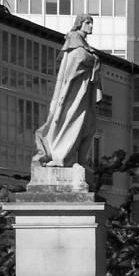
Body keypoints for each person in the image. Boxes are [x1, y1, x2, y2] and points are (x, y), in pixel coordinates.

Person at [34, 14, 102, 168]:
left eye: (92, 23)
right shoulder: (74, 41)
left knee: (87, 126)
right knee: (73, 122)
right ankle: (63, 157)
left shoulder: (83, 44)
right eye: (88, 23)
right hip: (75, 93)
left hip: (83, 91)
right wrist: (94, 60)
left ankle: (78, 160)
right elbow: (78, 60)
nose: (91, 26)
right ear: (80, 24)